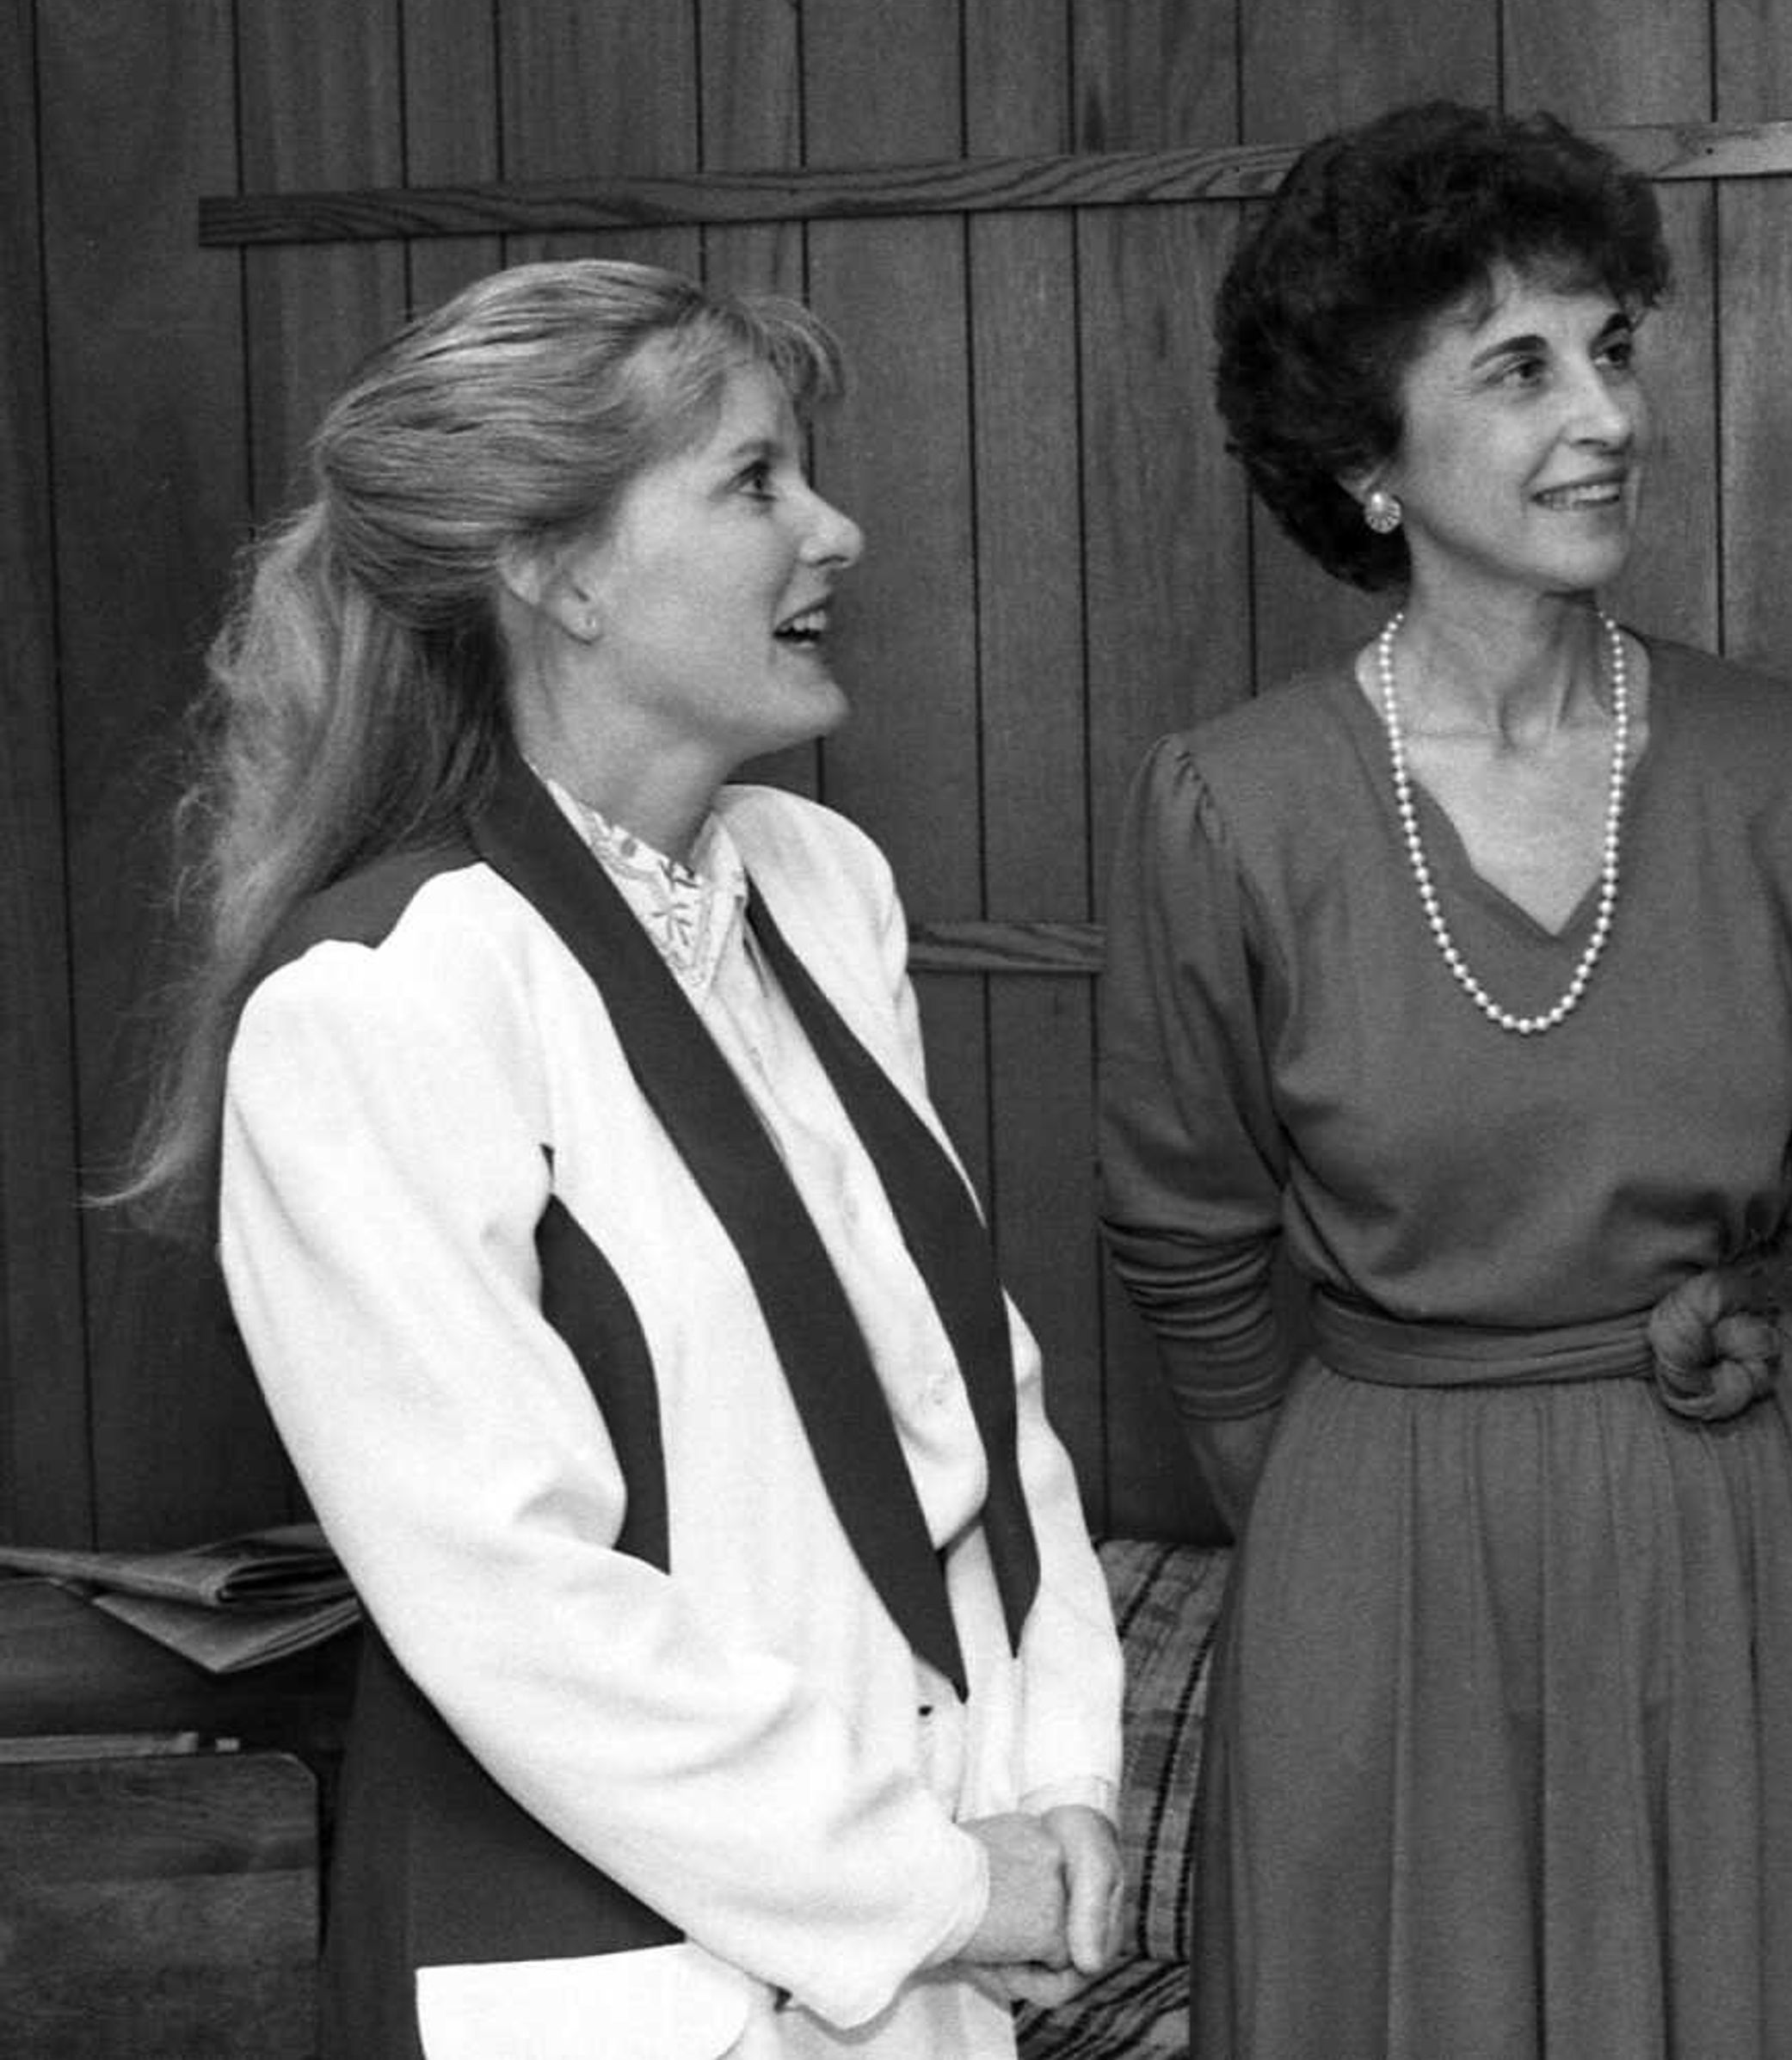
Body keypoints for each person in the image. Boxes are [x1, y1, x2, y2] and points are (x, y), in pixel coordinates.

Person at [116, 260, 1129, 2057]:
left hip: (931, 1938)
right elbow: (512, 1600)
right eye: (754, 482)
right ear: (558, 569)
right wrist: (933, 1887)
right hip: (631, 1982)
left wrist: (1058, 1781)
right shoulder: (379, 997)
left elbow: (964, 1397)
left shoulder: (824, 891)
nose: (837, 528)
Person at [1095, 100, 1792, 2060]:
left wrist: (1720, 1352)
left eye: (1615, 348)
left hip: (1739, 1534)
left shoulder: (1787, 763)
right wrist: (1353, 1509)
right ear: (1363, 460)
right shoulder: (1232, 806)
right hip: (1388, 1569)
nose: (1609, 414)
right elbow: (1185, 1237)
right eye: (1519, 367)